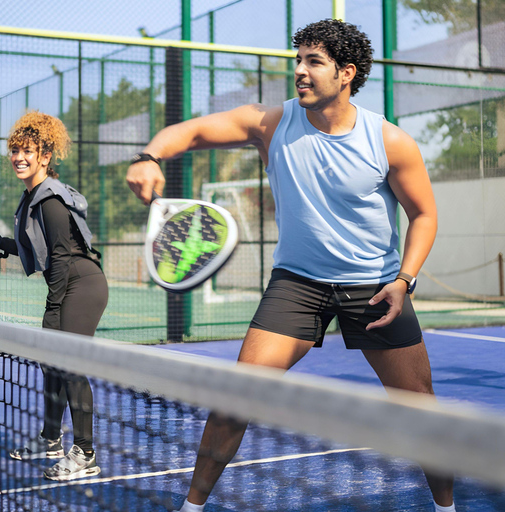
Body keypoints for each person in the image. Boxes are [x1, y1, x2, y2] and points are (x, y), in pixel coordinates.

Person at [126, 19, 455, 512]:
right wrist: (150, 154)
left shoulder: (389, 142)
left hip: (375, 286)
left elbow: (424, 214)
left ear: (346, 73)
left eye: (313, 62)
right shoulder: (272, 123)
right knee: (236, 401)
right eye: (297, 60)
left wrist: (404, 280)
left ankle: (446, 509)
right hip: (297, 285)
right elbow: (191, 131)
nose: (299, 71)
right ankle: (190, 509)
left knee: (420, 406)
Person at [0, 111, 107, 482]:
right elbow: (40, 251)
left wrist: (53, 309)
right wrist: (0, 242)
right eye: (15, 150)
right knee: (51, 363)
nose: (19, 157)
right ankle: (51, 439)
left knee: (68, 364)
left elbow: (64, 258)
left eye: (28, 151)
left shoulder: (49, 199)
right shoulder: (32, 196)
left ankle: (85, 452)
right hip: (68, 282)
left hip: (81, 285)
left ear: (45, 156)